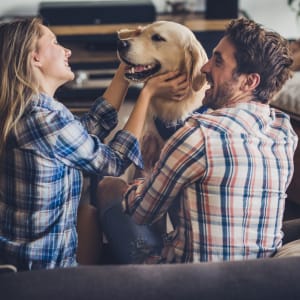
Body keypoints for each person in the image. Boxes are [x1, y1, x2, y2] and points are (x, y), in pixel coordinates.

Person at [96, 17, 298, 264]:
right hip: (256, 278)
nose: (204, 67)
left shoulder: (198, 135)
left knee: (108, 185)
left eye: (218, 61)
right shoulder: (284, 132)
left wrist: (149, 174)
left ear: (249, 81)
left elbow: (141, 212)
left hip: (191, 281)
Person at [0, 17, 189, 270]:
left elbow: (90, 127)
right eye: (55, 43)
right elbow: (113, 162)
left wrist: (126, 72)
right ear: (35, 58)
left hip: (29, 259)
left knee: (90, 211)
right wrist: (146, 94)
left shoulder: (36, 111)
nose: (66, 50)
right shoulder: (43, 120)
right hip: (40, 272)